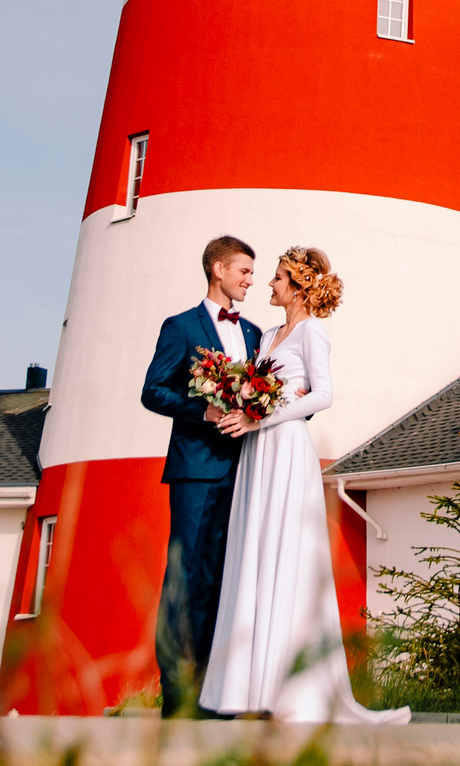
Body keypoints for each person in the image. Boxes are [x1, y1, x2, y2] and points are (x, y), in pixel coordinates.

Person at [198, 246, 409, 724]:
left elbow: (324, 394)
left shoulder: (313, 331)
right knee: (255, 554)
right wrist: (240, 404)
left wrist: (262, 416)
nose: (269, 284)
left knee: (287, 554)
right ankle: (253, 689)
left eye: (276, 277)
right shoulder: (266, 334)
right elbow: (262, 388)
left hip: (287, 448)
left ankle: (296, 693)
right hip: (257, 451)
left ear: (296, 286)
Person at [139, 235, 262, 706]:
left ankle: (212, 693)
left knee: (225, 579)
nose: (250, 280)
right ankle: (176, 697)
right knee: (186, 578)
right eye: (244, 271)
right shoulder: (181, 327)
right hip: (195, 470)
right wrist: (202, 411)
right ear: (218, 269)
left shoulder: (255, 333)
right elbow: (153, 390)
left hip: (246, 471)